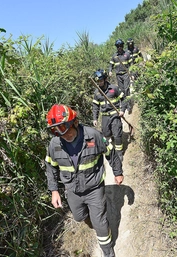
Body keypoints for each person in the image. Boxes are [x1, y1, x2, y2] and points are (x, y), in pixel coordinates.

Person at [45, 104, 124, 257]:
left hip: (94, 188)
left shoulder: (93, 136)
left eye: (66, 129)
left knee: (100, 224)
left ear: (74, 122)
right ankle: (94, 219)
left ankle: (108, 252)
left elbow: (111, 152)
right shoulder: (54, 145)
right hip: (73, 190)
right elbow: (50, 167)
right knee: (79, 217)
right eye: (58, 131)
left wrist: (118, 172)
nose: (64, 134)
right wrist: (54, 191)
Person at [92, 69, 127, 161]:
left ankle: (119, 153)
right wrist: (95, 119)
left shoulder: (114, 88)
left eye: (101, 80)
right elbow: (95, 106)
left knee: (117, 134)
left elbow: (123, 99)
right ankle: (112, 141)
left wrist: (122, 110)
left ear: (105, 79)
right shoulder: (97, 93)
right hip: (105, 117)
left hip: (115, 115)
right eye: (98, 81)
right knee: (106, 134)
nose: (99, 83)